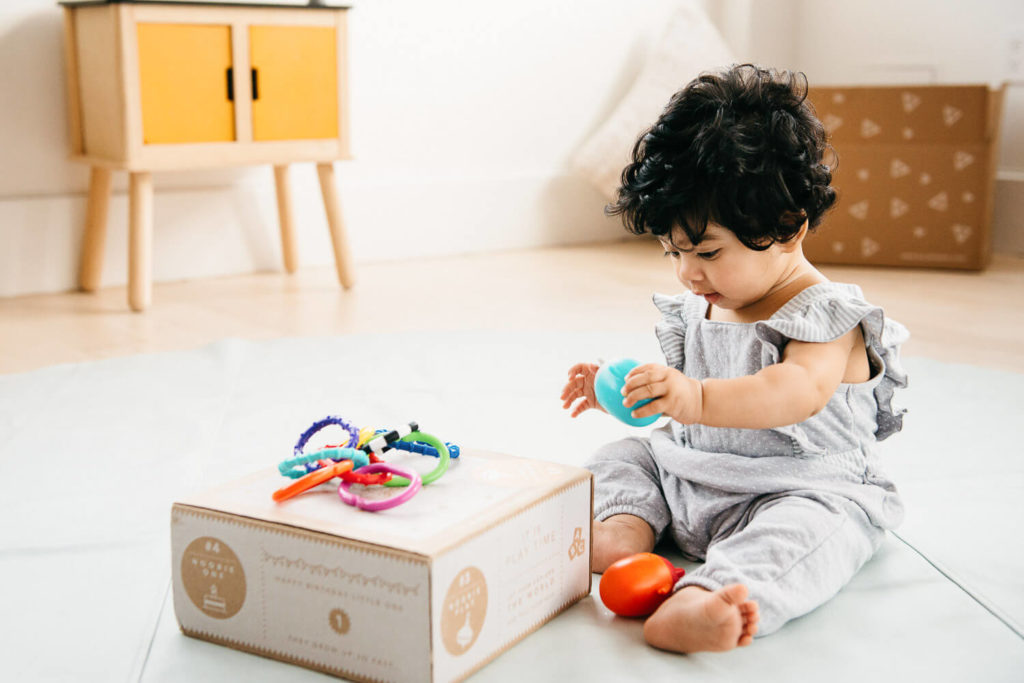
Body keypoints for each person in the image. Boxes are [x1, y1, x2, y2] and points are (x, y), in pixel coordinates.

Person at [560, 64, 909, 654]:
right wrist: (625, 392)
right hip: (692, 470)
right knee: (626, 456)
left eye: (706, 251)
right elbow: (677, 399)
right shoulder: (708, 299)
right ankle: (623, 528)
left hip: (796, 487)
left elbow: (794, 390)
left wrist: (694, 399)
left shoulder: (825, 316)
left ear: (788, 226)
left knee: (809, 536)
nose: (688, 272)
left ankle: (711, 597)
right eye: (672, 251)